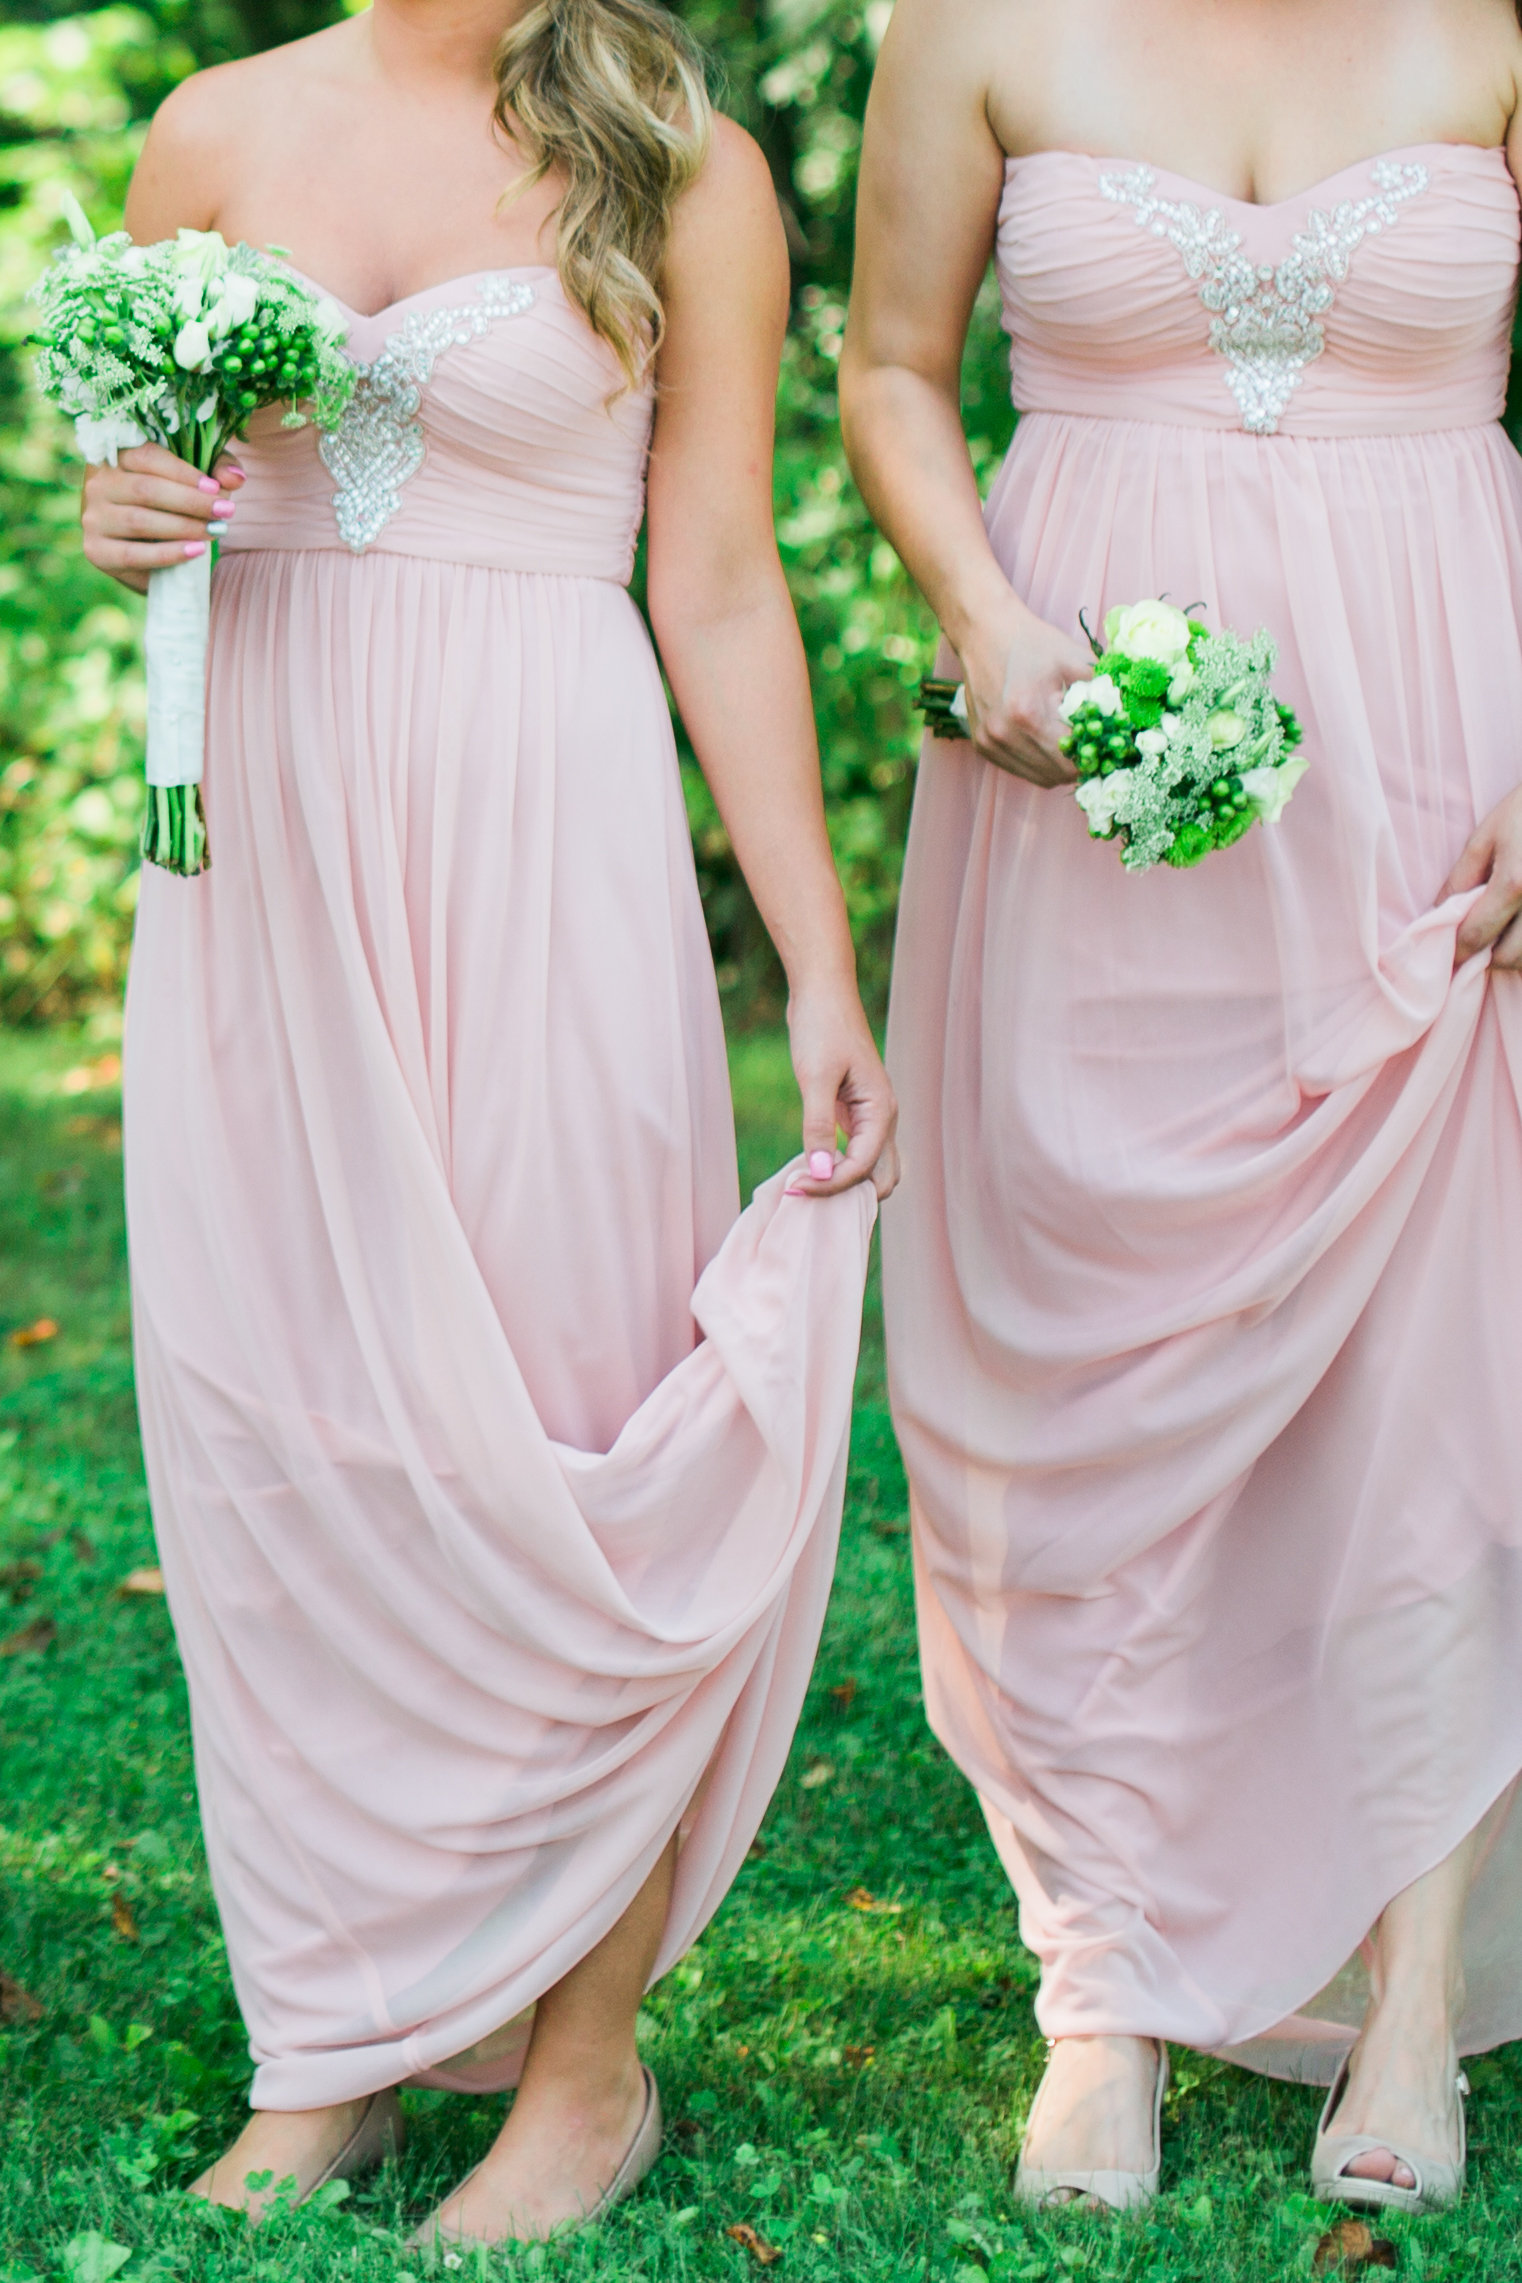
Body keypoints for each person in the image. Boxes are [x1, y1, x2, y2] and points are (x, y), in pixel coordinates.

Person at [79, 0, 897, 2246]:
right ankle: (330, 2034)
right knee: (291, 1425)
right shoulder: (215, 129)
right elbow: (140, 497)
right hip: (260, 839)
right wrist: (121, 517)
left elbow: (716, 580)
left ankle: (581, 2062)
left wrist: (820, 962)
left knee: (570, 1423)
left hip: (539, 821)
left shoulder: (680, 160)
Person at [841, 0, 1522, 2219]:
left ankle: (1408, 1997)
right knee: (1084, 1351)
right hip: (1080, 781)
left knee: (1434, 1378)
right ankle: (1102, 1983)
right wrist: (980, 612)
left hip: (1436, 760)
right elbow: (887, 371)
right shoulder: (966, 21)